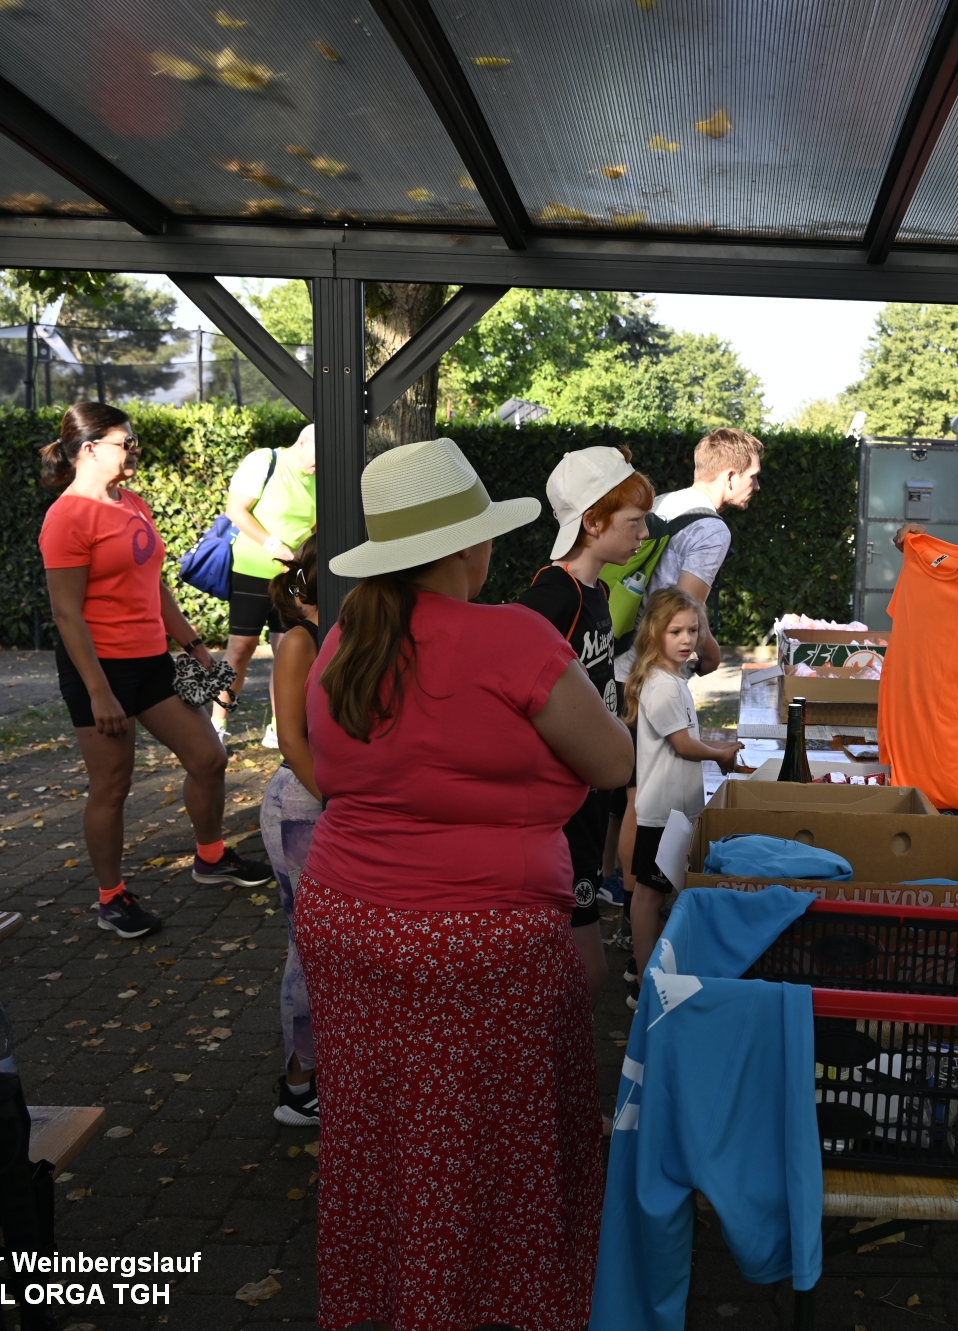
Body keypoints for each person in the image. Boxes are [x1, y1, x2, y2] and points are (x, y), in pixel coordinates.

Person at [296, 436, 632, 1331]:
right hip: (484, 941)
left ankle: (396, 1297)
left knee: (383, 1142)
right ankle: (489, 1302)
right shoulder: (513, 636)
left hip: (348, 925)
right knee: (498, 1151)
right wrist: (541, 781)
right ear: (468, 546)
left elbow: (342, 771)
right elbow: (611, 761)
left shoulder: (345, 640)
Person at [38, 403, 273, 941]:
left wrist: (194, 644)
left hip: (151, 661)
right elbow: (66, 614)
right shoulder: (67, 517)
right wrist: (99, 692)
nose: (135, 450)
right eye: (126, 442)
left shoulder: (132, 503)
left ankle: (211, 857)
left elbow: (154, 584)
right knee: (112, 785)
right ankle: (111, 898)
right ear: (90, 448)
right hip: (98, 670)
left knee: (208, 758)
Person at [517, 446, 654, 996]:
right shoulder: (554, 595)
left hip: (590, 798)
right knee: (586, 978)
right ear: (592, 522)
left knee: (577, 979)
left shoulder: (598, 590)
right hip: (562, 810)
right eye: (634, 522)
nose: (644, 534)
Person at [611, 426, 761, 893]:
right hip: (648, 670)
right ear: (730, 475)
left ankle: (612, 883)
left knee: (624, 788)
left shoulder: (665, 502)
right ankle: (634, 901)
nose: (756, 485)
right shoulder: (712, 528)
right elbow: (685, 604)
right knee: (643, 793)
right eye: (753, 476)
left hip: (618, 659)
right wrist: (710, 652)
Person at [624, 586, 743, 990]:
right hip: (664, 811)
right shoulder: (663, 685)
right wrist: (720, 754)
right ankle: (645, 978)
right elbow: (683, 745)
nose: (687, 639)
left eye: (693, 630)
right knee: (649, 896)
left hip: (673, 808)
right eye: (675, 631)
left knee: (656, 893)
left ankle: (648, 970)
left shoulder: (672, 679)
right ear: (655, 632)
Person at [259, 536, 322, 1127]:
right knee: (307, 944)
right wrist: (337, 798)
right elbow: (291, 738)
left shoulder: (347, 633)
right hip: (303, 804)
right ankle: (300, 1086)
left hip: (325, 802)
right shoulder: (301, 640)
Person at [218, 423, 317, 737]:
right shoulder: (265, 460)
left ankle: (280, 728)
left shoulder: (320, 477)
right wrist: (274, 546)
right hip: (252, 570)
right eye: (318, 456)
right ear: (302, 443)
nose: (321, 464)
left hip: (292, 576)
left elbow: (315, 527)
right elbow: (235, 510)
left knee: (288, 650)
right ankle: (217, 724)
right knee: (240, 648)